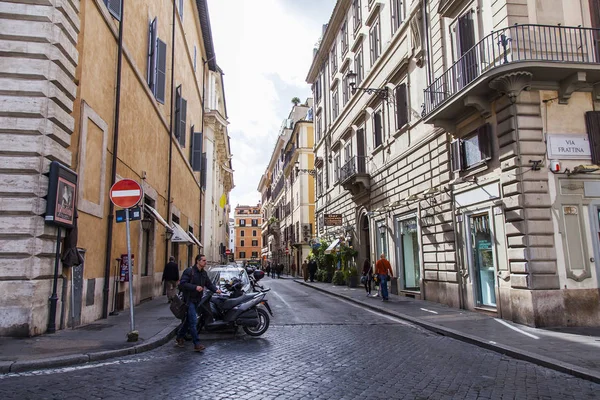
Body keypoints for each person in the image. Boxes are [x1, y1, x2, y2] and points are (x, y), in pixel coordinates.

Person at [175, 254, 221, 352]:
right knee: (193, 321)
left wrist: (216, 290)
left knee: (188, 320)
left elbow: (208, 283)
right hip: (189, 300)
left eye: (205, 260)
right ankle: (197, 344)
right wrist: (195, 287)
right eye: (204, 260)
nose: (205, 262)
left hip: (198, 300)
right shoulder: (189, 271)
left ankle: (179, 337)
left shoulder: (203, 273)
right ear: (198, 261)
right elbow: (182, 284)